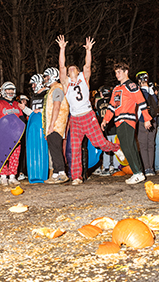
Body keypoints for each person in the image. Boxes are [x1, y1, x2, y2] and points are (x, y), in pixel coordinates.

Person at [58, 35, 121, 186]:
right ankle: (77, 177)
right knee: (75, 148)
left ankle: (116, 148)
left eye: (74, 68)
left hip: (88, 115)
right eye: (69, 68)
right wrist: (62, 49)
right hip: (75, 119)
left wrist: (88, 50)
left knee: (100, 142)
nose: (71, 68)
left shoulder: (83, 78)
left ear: (78, 71)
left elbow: (88, 65)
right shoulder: (66, 83)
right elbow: (61, 66)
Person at [101, 61, 152, 185]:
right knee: (130, 146)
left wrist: (147, 118)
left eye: (119, 72)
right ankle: (138, 171)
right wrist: (105, 120)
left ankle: (137, 173)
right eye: (116, 72)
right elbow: (112, 106)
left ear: (126, 72)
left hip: (127, 120)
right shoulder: (116, 89)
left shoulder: (131, 86)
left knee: (127, 146)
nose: (117, 74)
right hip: (118, 121)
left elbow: (141, 102)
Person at [0, 81, 31, 186]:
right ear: (3, 91)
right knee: (3, 156)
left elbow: (22, 119)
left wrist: (19, 132)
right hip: (3, 134)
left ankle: (13, 176)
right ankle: (3, 177)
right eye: (8, 90)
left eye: (12, 90)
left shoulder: (16, 104)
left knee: (15, 155)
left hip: (15, 134)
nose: (10, 92)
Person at [42, 67, 70, 184]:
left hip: (56, 124)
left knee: (56, 149)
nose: (45, 79)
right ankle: (55, 173)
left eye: (46, 77)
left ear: (52, 76)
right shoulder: (53, 89)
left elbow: (57, 106)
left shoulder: (57, 89)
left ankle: (62, 173)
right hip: (53, 124)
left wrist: (52, 124)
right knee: (53, 149)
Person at [135, 71, 158, 177]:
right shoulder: (152, 91)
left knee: (144, 145)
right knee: (151, 144)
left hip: (142, 119)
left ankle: (147, 168)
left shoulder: (138, 91)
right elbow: (156, 104)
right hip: (153, 120)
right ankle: (151, 168)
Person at [94, 86, 119, 176]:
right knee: (116, 147)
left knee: (106, 148)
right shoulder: (112, 102)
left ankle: (106, 167)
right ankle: (116, 167)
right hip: (114, 127)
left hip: (104, 128)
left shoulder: (99, 102)